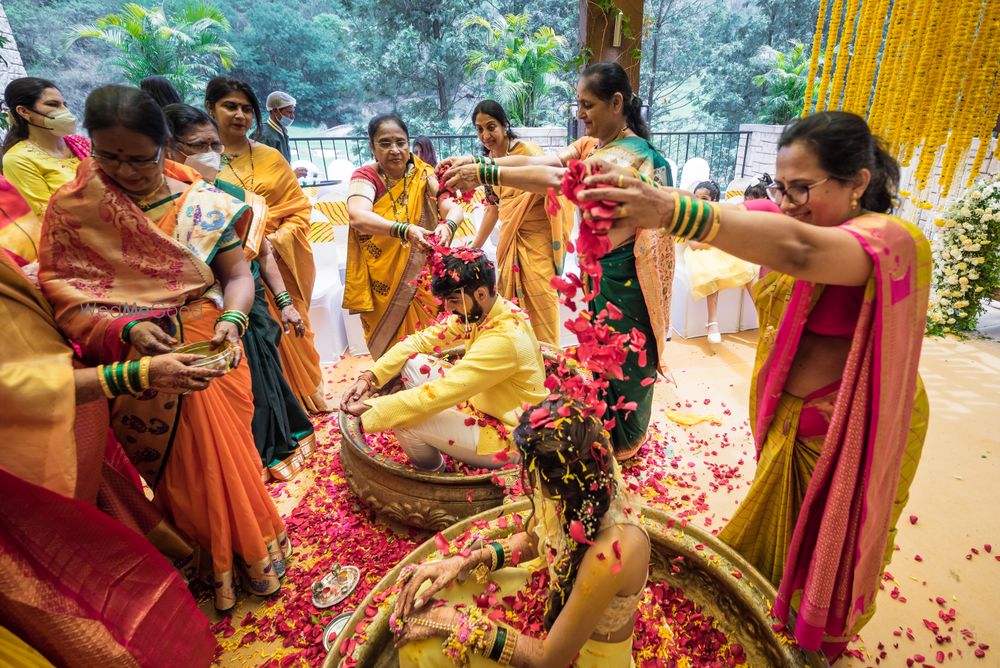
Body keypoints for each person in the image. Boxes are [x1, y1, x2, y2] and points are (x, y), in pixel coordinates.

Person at [576, 110, 930, 662]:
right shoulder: (793, 219)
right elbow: (759, 222)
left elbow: (801, 252)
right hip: (791, 418)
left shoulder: (891, 241)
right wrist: (491, 175)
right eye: (781, 188)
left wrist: (669, 208)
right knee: (786, 535)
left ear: (859, 182)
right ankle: (775, 612)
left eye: (803, 188)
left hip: (850, 425)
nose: (788, 203)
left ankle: (814, 639)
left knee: (829, 545)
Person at [38, 85, 292, 613]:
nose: (125, 172)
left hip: (208, 346)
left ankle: (254, 555)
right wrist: (126, 332)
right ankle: (210, 558)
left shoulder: (199, 203)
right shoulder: (76, 211)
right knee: (183, 474)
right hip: (140, 367)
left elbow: (237, 274)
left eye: (139, 158)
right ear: (91, 147)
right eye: (109, 157)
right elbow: (66, 298)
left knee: (232, 457)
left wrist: (233, 317)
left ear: (162, 150)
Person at [0, 204, 220, 665]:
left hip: (72, 421)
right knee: (62, 582)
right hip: (24, 465)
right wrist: (127, 375)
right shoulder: (79, 199)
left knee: (107, 547)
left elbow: (64, 291)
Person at [441, 62, 674, 460]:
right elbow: (545, 163)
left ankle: (627, 442)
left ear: (616, 103)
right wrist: (483, 164)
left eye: (587, 105)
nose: (580, 114)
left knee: (627, 364)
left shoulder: (631, 160)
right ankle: (605, 430)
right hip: (601, 278)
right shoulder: (592, 147)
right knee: (601, 359)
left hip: (629, 281)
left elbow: (555, 182)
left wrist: (482, 172)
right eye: (578, 104)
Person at [390, 397, 650, 667]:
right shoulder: (581, 483)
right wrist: (464, 561)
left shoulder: (609, 554)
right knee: (433, 590)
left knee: (423, 649)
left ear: (560, 483)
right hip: (554, 598)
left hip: (584, 656)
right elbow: (533, 538)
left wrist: (454, 622)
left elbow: (548, 658)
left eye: (532, 474)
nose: (529, 480)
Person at [163, 103, 316, 480]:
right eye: (198, 146)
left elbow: (262, 254)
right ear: (169, 148)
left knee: (262, 383)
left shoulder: (231, 195)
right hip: (192, 320)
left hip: (248, 307)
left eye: (215, 145)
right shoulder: (160, 204)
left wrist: (286, 305)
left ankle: (267, 453)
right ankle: (234, 467)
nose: (210, 155)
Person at [341, 248, 547, 470]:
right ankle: (443, 442)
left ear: (480, 294)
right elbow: (419, 342)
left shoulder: (505, 337)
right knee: (412, 362)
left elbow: (444, 391)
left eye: (453, 301)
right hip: (482, 402)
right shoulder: (482, 312)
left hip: (509, 436)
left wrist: (376, 407)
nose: (448, 309)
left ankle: (436, 476)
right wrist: (369, 377)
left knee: (402, 420)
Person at [207, 77, 329, 413]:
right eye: (229, 106)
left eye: (247, 108)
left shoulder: (271, 157)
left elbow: (299, 209)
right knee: (257, 341)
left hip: (278, 259)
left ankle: (308, 397)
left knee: (295, 330)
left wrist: (272, 241)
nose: (239, 115)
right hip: (231, 267)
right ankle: (275, 406)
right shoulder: (201, 161)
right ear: (210, 109)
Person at [344, 113, 465, 359]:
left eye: (401, 142)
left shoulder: (424, 174)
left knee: (434, 350)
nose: (395, 150)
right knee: (394, 357)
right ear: (372, 147)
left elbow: (453, 207)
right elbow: (357, 215)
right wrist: (405, 230)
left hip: (423, 279)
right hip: (384, 282)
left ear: (409, 144)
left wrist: (448, 225)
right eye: (385, 143)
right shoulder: (365, 177)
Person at [467, 100, 571, 346]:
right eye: (479, 129)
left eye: (491, 127)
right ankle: (521, 365)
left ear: (505, 125)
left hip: (537, 243)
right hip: (509, 243)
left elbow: (555, 186)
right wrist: (473, 248)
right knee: (511, 313)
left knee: (542, 303)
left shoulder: (528, 153)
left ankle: (549, 365)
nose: (485, 135)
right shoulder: (488, 161)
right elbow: (493, 208)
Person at [1, 77, 90, 257]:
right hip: (74, 247)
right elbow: (48, 218)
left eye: (64, 104)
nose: (64, 112)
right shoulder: (19, 159)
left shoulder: (80, 143)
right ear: (24, 112)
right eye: (53, 105)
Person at [681, 180, 756, 344]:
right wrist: (720, 241)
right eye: (696, 197)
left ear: (714, 201)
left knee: (748, 267)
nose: (699, 201)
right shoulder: (691, 217)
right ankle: (712, 322)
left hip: (720, 250)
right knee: (709, 270)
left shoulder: (718, 216)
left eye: (705, 198)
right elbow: (693, 244)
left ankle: (763, 313)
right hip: (700, 253)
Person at [260, 91, 296, 162]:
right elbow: (262, 169)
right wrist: (291, 173)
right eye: (289, 112)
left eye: (293, 112)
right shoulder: (264, 135)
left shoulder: (280, 131)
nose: (292, 116)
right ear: (275, 111)